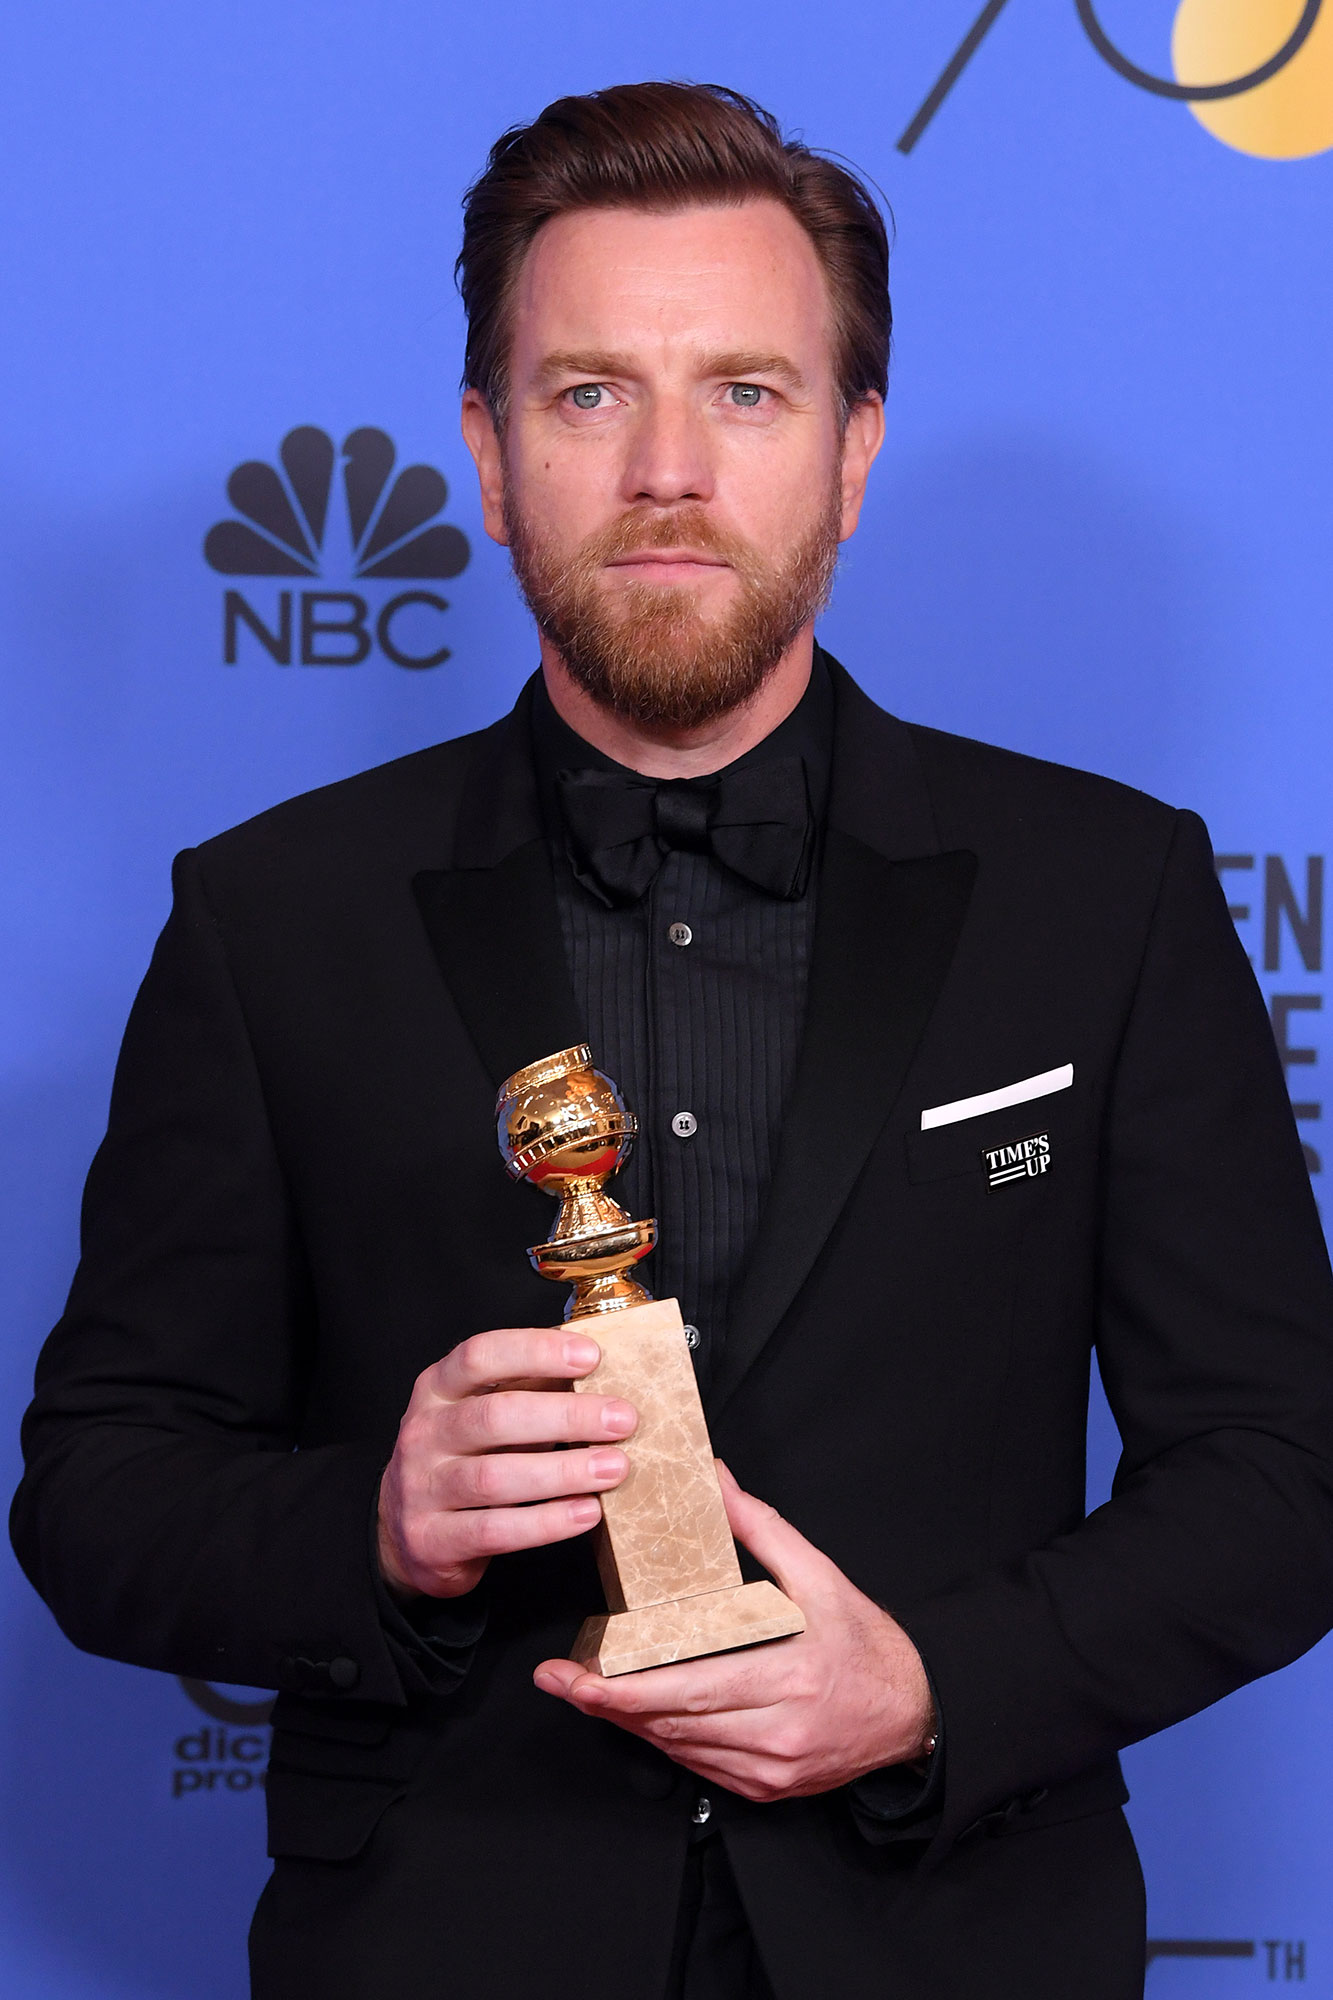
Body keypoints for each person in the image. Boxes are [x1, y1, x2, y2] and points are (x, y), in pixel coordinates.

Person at [12, 80, 1333, 2000]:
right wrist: (375, 1523)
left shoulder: (1100, 892)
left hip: (953, 1938)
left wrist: (934, 1686)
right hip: (446, 1945)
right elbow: (99, 1491)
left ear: (852, 450)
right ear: (486, 453)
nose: (665, 470)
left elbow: (1284, 1468)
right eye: (585, 394)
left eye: (745, 391)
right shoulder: (272, 916)